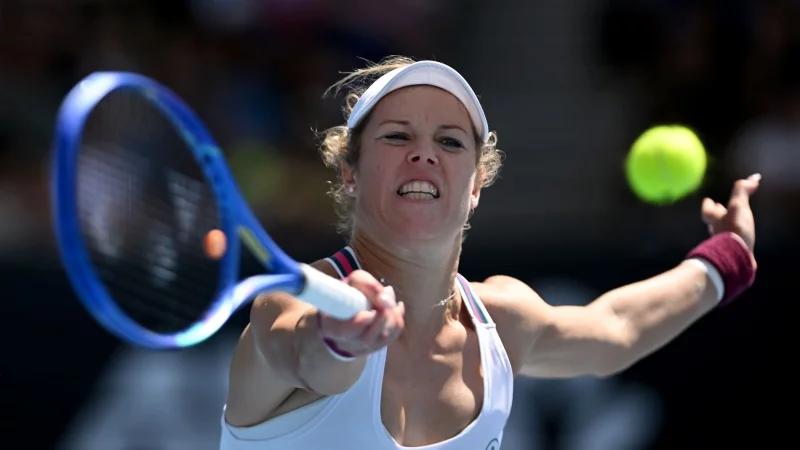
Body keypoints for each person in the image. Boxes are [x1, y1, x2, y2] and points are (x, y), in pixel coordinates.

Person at [219, 56, 760, 450]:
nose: (424, 154)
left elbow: (614, 330)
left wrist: (727, 256)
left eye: (450, 142)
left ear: (476, 186)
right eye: (397, 136)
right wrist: (340, 339)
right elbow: (304, 355)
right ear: (351, 174)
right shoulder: (287, 306)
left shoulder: (502, 320)